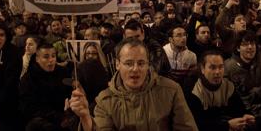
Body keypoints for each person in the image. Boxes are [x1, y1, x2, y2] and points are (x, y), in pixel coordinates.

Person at [68, 38, 198, 131]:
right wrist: (85, 118)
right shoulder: (104, 100)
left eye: (141, 63)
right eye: (129, 63)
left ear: (148, 64)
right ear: (117, 64)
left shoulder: (171, 90)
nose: (135, 69)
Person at [187, 50, 255, 131]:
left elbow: (239, 109)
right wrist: (227, 126)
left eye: (221, 67)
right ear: (202, 69)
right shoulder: (194, 90)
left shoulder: (228, 86)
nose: (217, 72)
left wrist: (247, 116)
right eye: (212, 67)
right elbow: (197, 123)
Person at [19, 42, 73, 131]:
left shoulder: (63, 72)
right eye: (46, 57)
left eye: (53, 56)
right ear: (37, 59)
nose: (51, 60)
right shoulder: (29, 78)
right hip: (40, 120)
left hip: (65, 116)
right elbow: (28, 107)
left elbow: (69, 93)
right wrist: (55, 116)